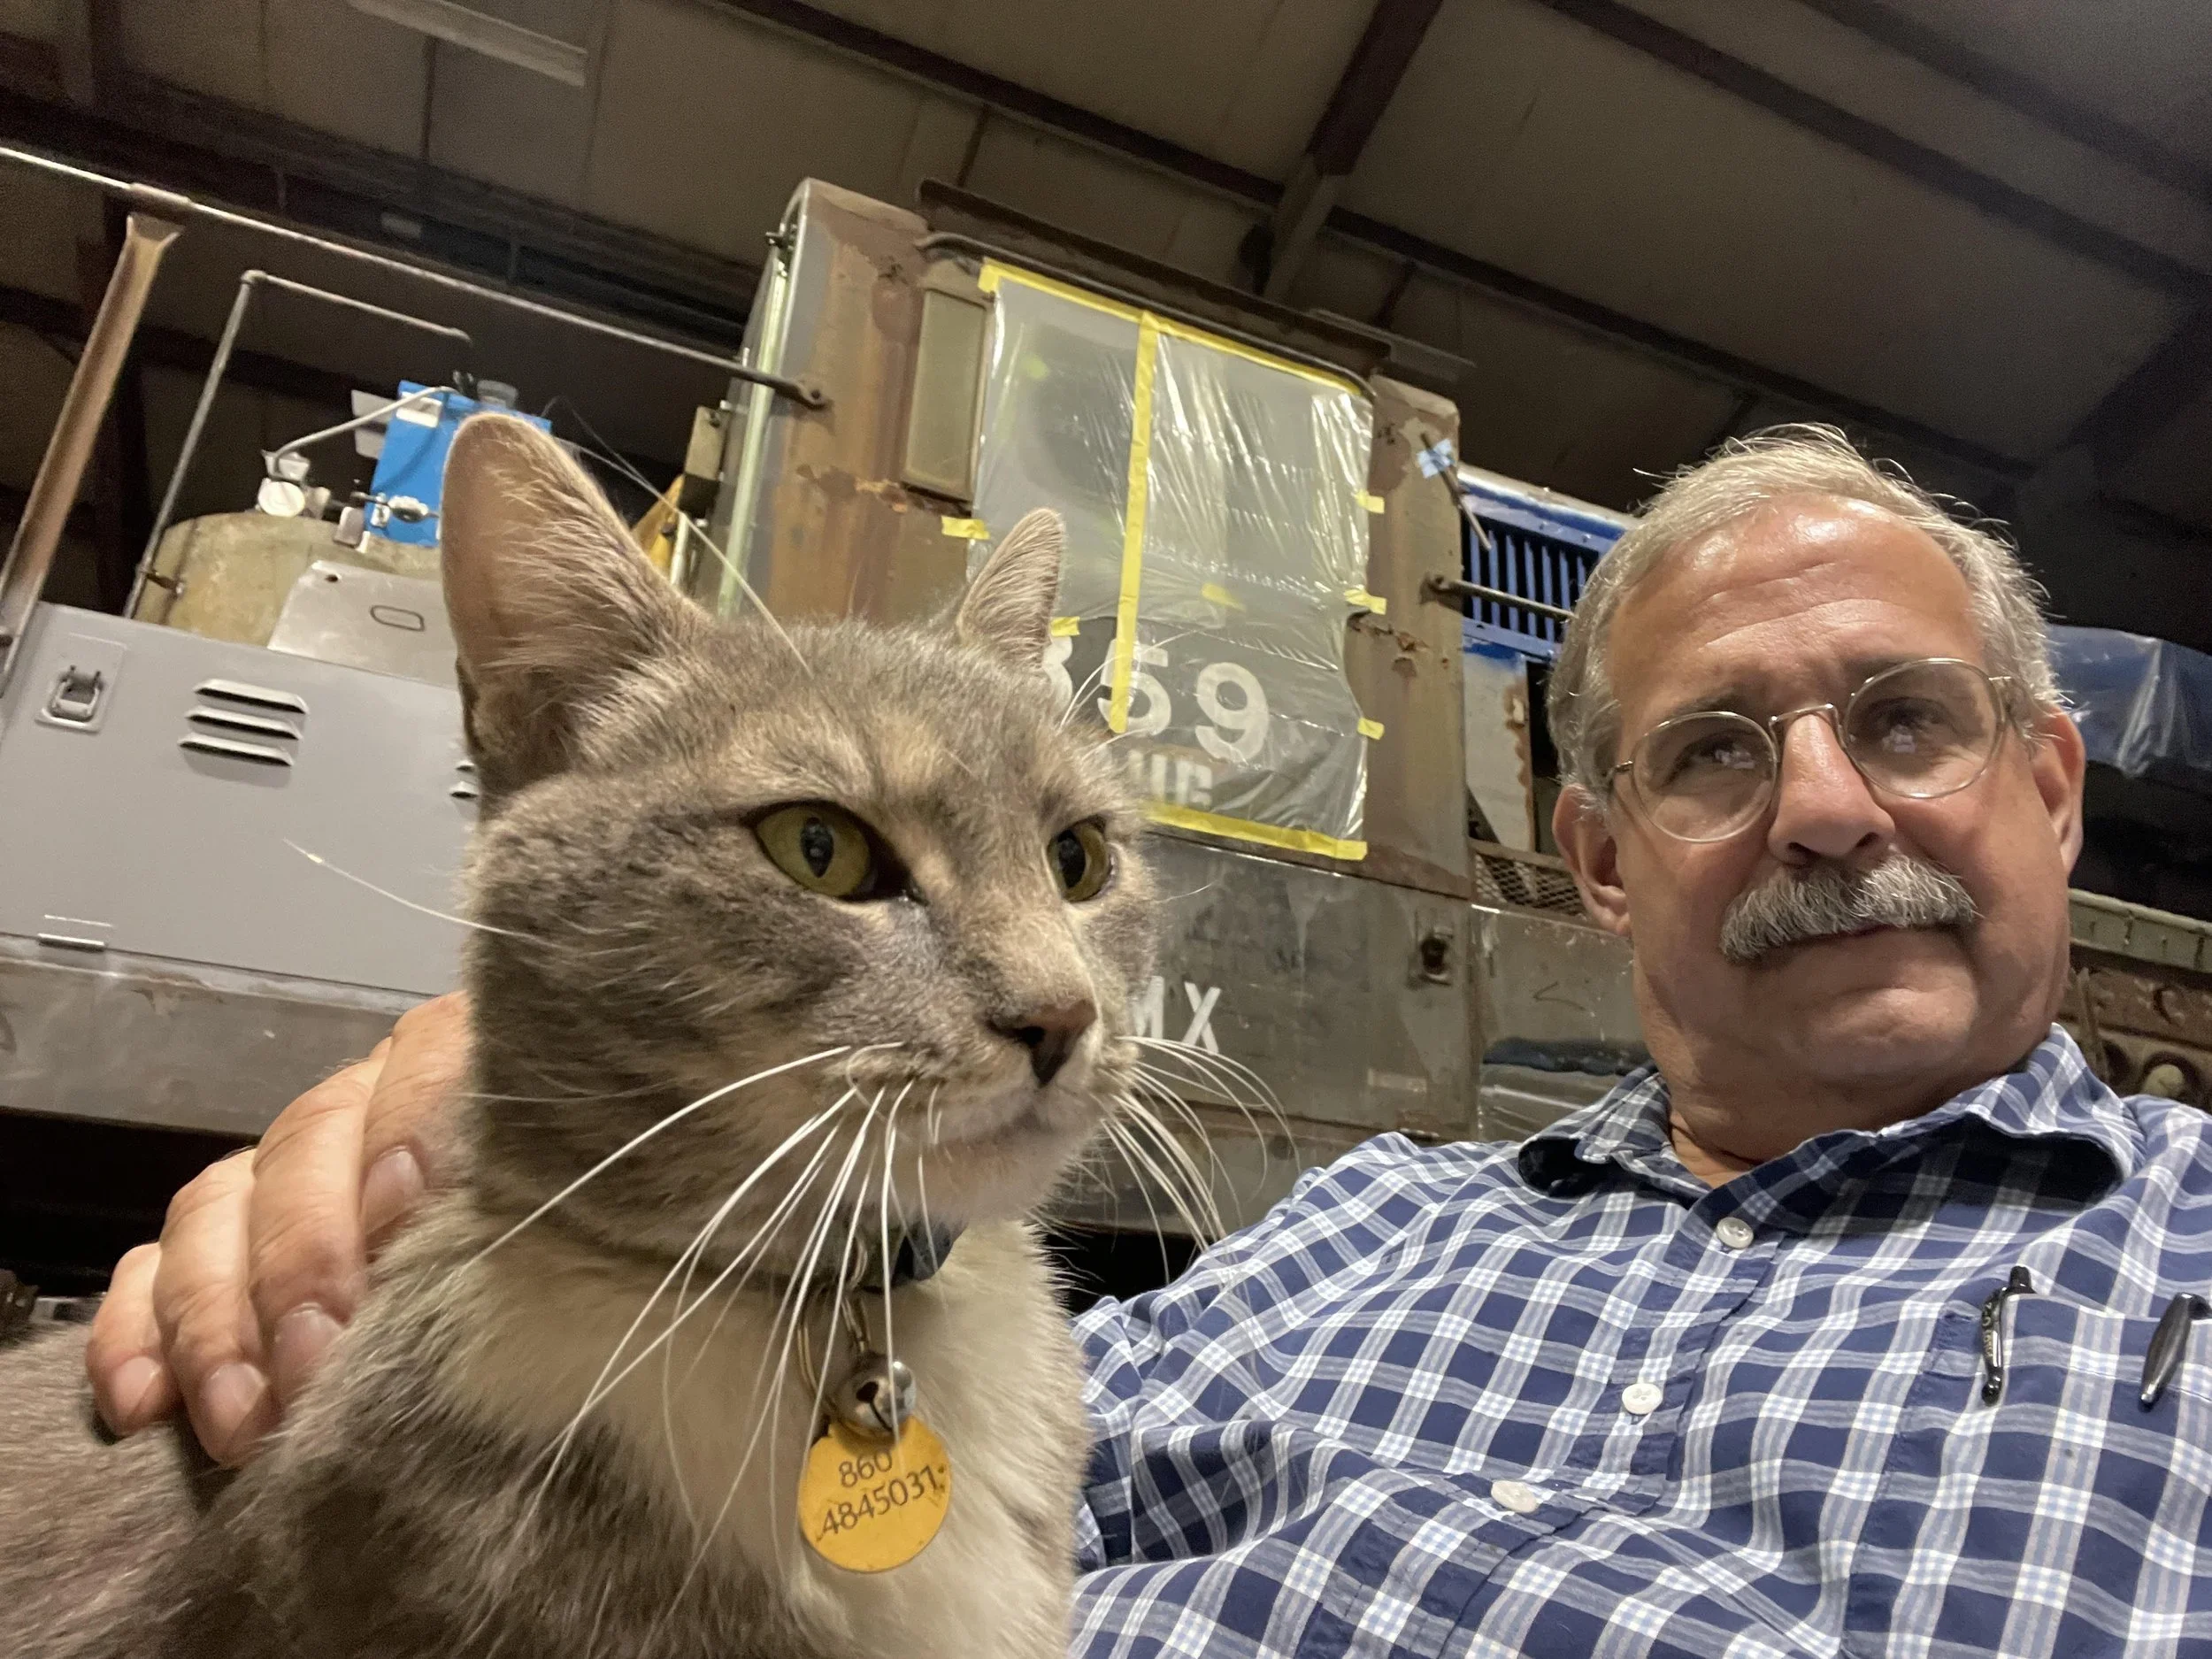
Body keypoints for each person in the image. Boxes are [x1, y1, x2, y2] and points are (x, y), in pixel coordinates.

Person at [85, 428, 2212, 1656]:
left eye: (1905, 721)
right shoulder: (1366, 1236)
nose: (1826, 808)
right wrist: (517, 1080)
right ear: (1591, 853)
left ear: (2051, 782)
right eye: (1714, 751)